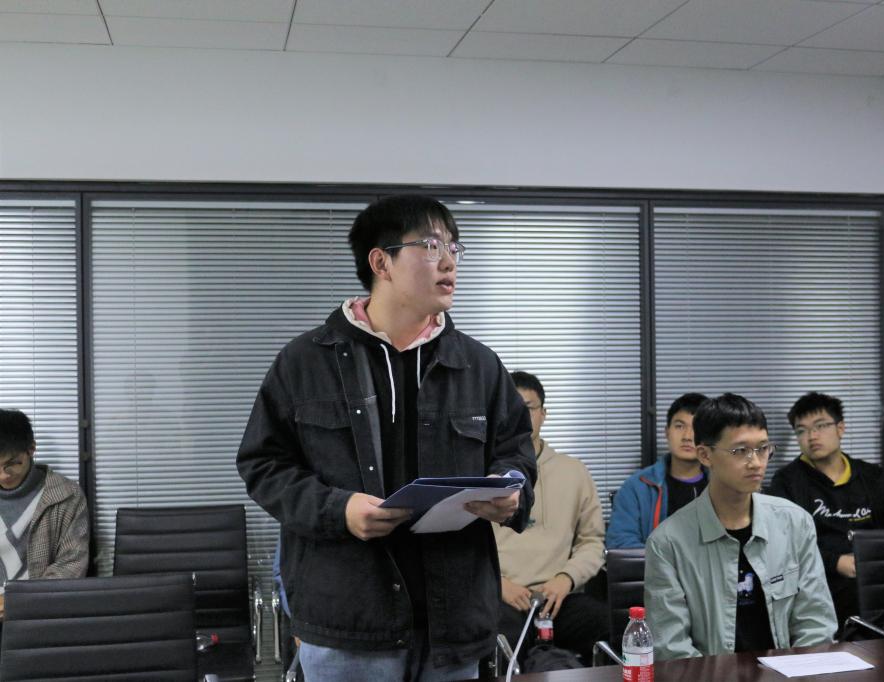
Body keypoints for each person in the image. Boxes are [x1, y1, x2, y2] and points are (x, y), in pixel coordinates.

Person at [237, 195, 537, 681]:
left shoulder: (478, 365)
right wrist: (339, 510)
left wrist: (510, 489)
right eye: (431, 245)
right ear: (382, 263)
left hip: (453, 623)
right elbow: (263, 466)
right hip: (348, 622)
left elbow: (516, 452)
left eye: (454, 248)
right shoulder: (305, 361)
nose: (449, 261)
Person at [645, 393, 836, 660]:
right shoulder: (668, 543)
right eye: (740, 451)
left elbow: (816, 624)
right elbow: (671, 648)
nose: (756, 462)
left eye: (763, 448)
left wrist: (796, 673)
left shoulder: (795, 523)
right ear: (705, 455)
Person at [767, 392, 884, 629]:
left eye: (820, 426)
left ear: (840, 428)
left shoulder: (871, 476)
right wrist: (834, 562)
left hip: (876, 582)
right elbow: (784, 545)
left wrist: (874, 560)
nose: (812, 436)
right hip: (819, 585)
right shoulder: (787, 482)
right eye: (801, 430)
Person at [494, 371, 607, 666]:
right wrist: (497, 585)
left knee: (608, 625)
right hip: (503, 597)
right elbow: (463, 547)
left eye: (528, 408)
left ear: (544, 414)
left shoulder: (574, 471)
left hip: (559, 597)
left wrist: (566, 579)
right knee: (495, 638)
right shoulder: (483, 475)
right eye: (511, 409)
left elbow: (592, 542)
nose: (520, 417)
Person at [0, 408, 90, 621]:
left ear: (31, 449)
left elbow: (72, 564)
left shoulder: (66, 495)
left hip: (39, 614)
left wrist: (19, 601)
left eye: (11, 464)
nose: (3, 475)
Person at [606, 393, 709, 549]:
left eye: (696, 428)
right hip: (654, 565)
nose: (687, 436)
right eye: (679, 426)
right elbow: (620, 543)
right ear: (666, 432)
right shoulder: (637, 487)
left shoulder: (723, 485)